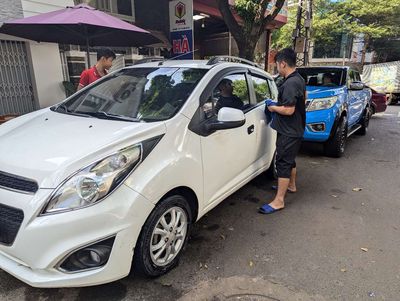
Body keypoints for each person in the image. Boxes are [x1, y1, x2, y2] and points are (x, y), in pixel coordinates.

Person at [259, 48, 306, 215]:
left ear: (283, 63)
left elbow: (289, 110)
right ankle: (291, 185)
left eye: (277, 65)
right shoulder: (298, 79)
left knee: (283, 163)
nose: (277, 68)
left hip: (289, 130)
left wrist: (272, 107)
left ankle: (279, 201)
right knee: (290, 160)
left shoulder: (291, 83)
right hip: (294, 129)